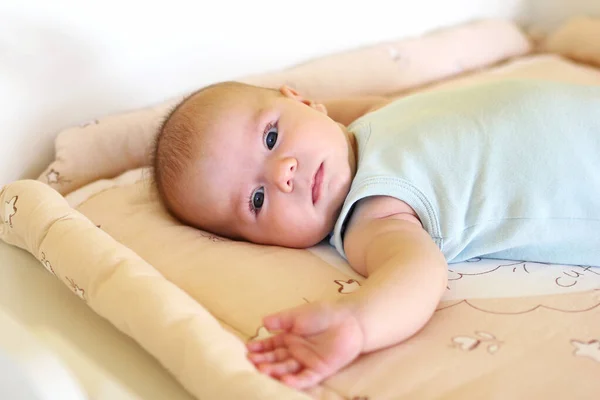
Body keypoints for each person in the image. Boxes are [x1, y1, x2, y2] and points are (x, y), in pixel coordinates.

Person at [152, 79, 600, 390]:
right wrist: (358, 322)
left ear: (305, 102)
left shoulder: (366, 124)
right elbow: (417, 271)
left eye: (271, 137)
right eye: (256, 200)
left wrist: (321, 113)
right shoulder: (373, 215)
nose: (283, 173)